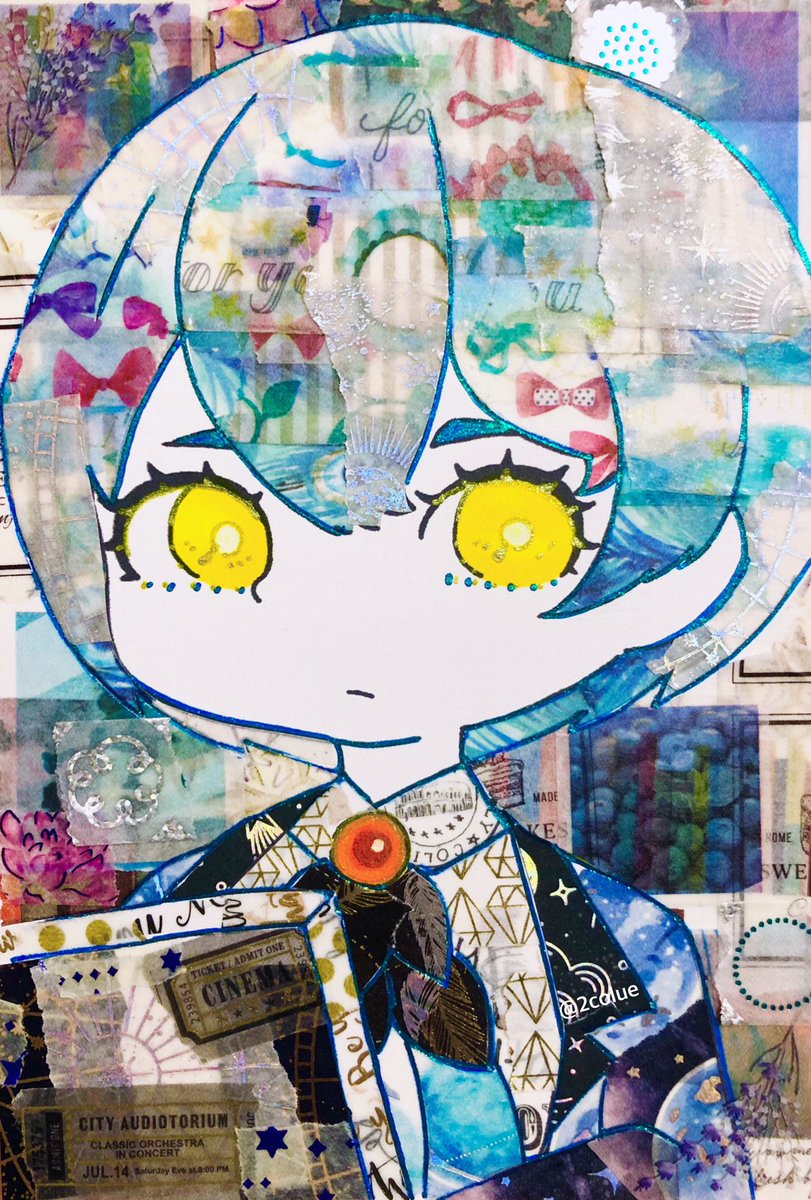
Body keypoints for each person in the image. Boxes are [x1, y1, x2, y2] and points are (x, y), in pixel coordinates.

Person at [5, 18, 811, 1200]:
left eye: (506, 524)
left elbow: (687, 1169)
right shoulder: (161, 919)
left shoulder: (632, 952)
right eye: (205, 530)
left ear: (676, 556)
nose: (352, 587)